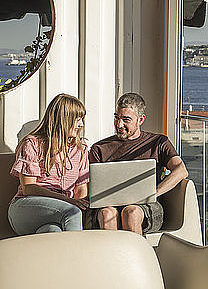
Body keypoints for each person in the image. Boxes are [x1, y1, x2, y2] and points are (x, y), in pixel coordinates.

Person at [89, 92, 188, 235]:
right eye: (116, 118)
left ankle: (138, 257)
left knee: (131, 212)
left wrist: (153, 192)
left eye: (126, 119)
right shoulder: (99, 148)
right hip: (109, 205)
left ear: (140, 120)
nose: (119, 124)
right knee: (107, 214)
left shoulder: (158, 142)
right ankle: (113, 257)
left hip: (146, 207)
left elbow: (181, 170)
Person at [8, 94, 89, 235]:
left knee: (52, 231)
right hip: (26, 208)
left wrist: (77, 202)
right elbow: (29, 188)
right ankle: (79, 256)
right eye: (77, 119)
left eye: (82, 119)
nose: (81, 124)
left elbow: (81, 190)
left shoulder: (80, 148)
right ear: (63, 119)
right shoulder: (33, 144)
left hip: (60, 212)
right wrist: (67, 201)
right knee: (72, 212)